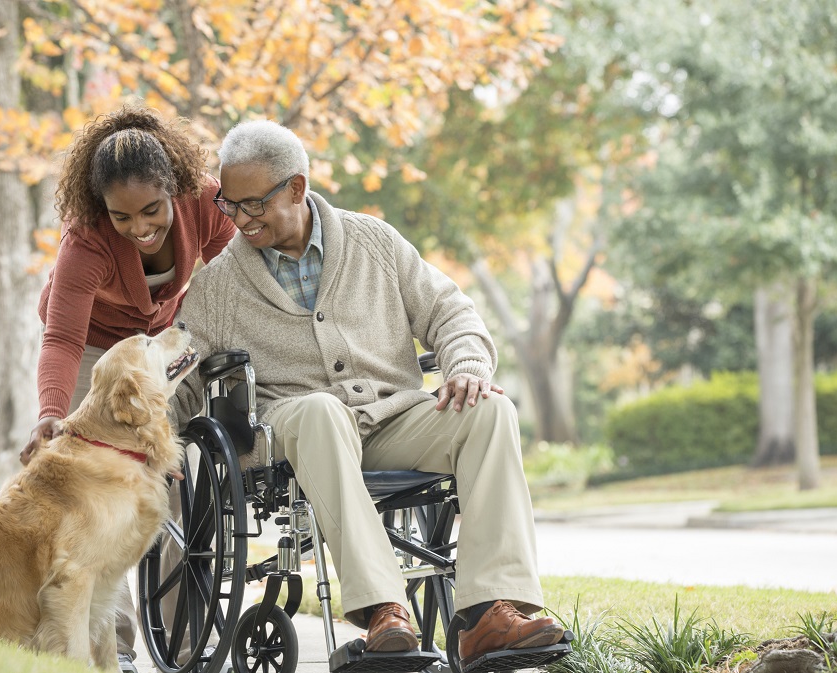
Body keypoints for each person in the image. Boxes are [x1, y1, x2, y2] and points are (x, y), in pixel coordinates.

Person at [168, 119, 565, 663]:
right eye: (229, 205)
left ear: (297, 188)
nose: (241, 219)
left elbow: (450, 311)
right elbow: (183, 376)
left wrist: (466, 363)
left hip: (393, 419)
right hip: (295, 430)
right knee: (320, 411)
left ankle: (486, 614)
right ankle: (383, 611)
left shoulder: (374, 241)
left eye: (254, 205)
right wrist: (151, 436)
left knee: (490, 410)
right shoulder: (216, 287)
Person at [21, 104, 236, 673]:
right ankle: (108, 647)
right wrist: (51, 412)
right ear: (101, 210)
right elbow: (63, 338)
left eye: (152, 211)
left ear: (176, 189)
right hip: (92, 350)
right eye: (122, 217)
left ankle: (189, 646)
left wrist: (194, 326)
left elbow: (231, 271)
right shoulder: (86, 243)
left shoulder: (205, 203)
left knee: (175, 488)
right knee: (98, 503)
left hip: (159, 344)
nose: (140, 228)